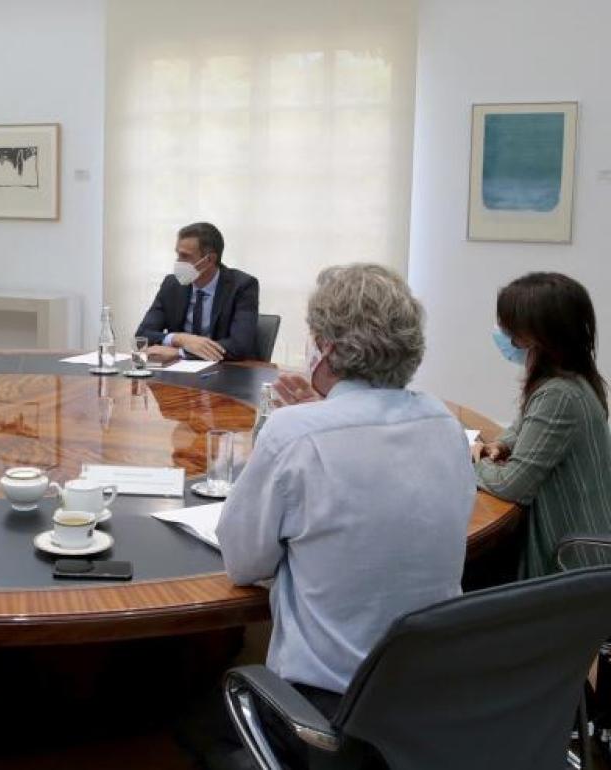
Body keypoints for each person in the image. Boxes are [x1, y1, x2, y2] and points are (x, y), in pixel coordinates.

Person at [204, 264, 474, 767]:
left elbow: (243, 563)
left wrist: (310, 421)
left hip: (327, 717)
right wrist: (322, 411)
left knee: (193, 723)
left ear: (326, 348)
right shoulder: (444, 423)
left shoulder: (293, 434)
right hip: (431, 700)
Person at [471, 272, 611, 578]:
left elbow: (511, 485)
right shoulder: (572, 379)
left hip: (570, 564)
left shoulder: (558, 395)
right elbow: (524, 425)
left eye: (509, 327)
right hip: (579, 548)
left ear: (536, 336)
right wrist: (501, 444)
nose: (503, 333)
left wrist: (471, 461)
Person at [135, 222, 259, 363]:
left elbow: (240, 346)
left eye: (185, 256)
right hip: (178, 371)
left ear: (210, 259)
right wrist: (179, 338)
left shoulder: (242, 285)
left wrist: (180, 352)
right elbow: (142, 335)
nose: (178, 262)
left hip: (227, 370)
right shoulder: (172, 284)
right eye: (178, 255)